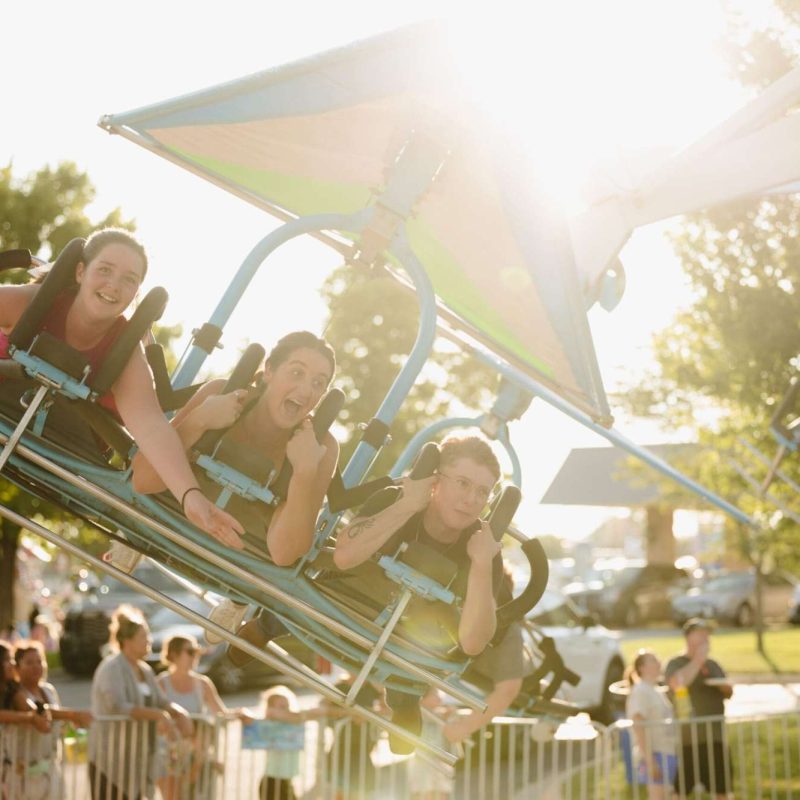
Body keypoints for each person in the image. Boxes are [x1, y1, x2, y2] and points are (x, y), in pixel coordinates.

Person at [0, 228, 244, 549]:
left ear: (136, 293)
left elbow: (153, 429)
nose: (114, 285)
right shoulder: (34, 303)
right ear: (80, 271)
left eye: (129, 279)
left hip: (71, 443)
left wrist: (191, 497)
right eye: (104, 270)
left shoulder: (125, 355)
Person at [132, 330, 339, 662]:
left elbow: (286, 552)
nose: (305, 390)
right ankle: (134, 537)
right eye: (297, 373)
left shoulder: (322, 448)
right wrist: (199, 420)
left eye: (318, 383)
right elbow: (141, 478)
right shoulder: (220, 392)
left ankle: (238, 600)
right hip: (167, 516)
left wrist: (303, 473)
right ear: (269, 371)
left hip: (241, 556)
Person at [334, 434, 504, 753]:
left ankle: (405, 698)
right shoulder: (393, 498)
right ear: (436, 480)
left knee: (435, 629)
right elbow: (343, 556)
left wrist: (481, 563)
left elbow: (473, 642)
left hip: (414, 639)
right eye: (463, 483)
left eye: (482, 491)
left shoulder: (485, 547)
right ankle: (268, 622)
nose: (471, 499)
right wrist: (408, 505)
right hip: (348, 601)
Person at [89, 605, 193, 800]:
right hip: (110, 760)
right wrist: (158, 715)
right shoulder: (112, 668)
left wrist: (180, 713)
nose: (149, 641)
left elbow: (162, 702)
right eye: (144, 637)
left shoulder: (144, 670)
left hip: (137, 761)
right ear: (127, 641)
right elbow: (118, 706)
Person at [155, 634, 239, 800]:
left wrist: (240, 714)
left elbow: (221, 713)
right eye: (190, 652)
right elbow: (156, 719)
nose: (195, 656)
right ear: (173, 655)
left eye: (197, 651)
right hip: (168, 754)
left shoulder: (203, 683)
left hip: (196, 756)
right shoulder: (161, 683)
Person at [11, 640, 93, 798]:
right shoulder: (16, 694)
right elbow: (41, 714)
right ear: (17, 667)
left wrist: (69, 724)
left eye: (39, 661)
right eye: (29, 662)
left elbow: (55, 719)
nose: (36, 666)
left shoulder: (48, 690)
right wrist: (72, 715)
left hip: (51, 768)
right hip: (24, 772)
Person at [665, 619, 733, 799]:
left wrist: (724, 687)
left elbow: (728, 690)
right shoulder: (676, 662)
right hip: (689, 738)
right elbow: (677, 683)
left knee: (721, 788)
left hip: (715, 736)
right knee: (680, 790)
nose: (706, 638)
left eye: (707, 634)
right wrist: (697, 659)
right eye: (701, 634)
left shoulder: (713, 665)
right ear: (688, 637)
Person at [625, 649, 677, 799]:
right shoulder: (640, 690)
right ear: (642, 667)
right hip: (654, 755)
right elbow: (638, 725)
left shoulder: (656, 691)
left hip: (667, 752)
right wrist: (649, 760)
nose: (659, 663)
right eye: (653, 660)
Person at [408, 688, 456, 800]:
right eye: (435, 695)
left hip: (440, 758)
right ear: (422, 698)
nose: (439, 699)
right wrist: (445, 716)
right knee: (423, 791)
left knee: (442, 791)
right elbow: (428, 718)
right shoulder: (418, 712)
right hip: (422, 759)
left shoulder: (440, 713)